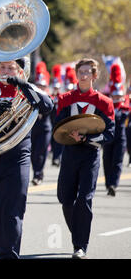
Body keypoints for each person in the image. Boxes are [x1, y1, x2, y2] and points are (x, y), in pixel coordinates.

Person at [0, 57, 53, 259]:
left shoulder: (27, 90)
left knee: (11, 212)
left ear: (20, 70)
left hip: (16, 158)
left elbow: (47, 106)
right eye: (2, 67)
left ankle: (8, 254)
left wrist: (22, 85)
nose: (5, 71)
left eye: (11, 68)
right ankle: (3, 250)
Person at [55, 58, 115, 259]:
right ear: (76, 73)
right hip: (69, 154)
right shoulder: (64, 99)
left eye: (88, 72)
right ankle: (79, 233)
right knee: (65, 199)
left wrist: (87, 138)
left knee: (84, 198)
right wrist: (69, 135)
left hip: (90, 154)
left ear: (94, 75)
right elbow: (57, 127)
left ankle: (80, 245)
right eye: (80, 71)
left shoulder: (104, 102)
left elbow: (110, 133)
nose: (83, 75)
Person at [102, 64, 129, 197]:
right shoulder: (108, 107)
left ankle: (114, 184)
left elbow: (123, 116)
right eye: (115, 96)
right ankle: (108, 183)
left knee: (117, 162)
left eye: (119, 96)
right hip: (108, 137)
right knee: (107, 161)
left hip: (121, 138)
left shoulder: (125, 107)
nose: (117, 99)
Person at [30, 62, 52, 185]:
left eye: (42, 85)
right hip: (33, 128)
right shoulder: (32, 97)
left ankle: (38, 174)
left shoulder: (49, 98)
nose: (40, 87)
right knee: (33, 153)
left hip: (45, 129)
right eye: (38, 85)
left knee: (41, 152)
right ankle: (37, 173)